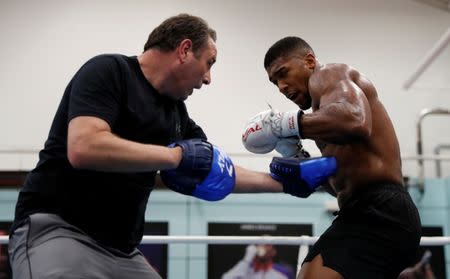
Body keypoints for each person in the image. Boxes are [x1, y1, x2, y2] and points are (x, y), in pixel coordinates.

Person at [8, 15, 338, 279]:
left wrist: (286, 184)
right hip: (59, 233)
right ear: (183, 51)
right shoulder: (110, 72)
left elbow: (216, 169)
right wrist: (175, 156)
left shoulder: (176, 116)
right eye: (208, 63)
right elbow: (84, 146)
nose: (208, 78)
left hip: (122, 251)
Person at [242, 36, 422, 278]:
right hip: (364, 210)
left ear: (309, 61)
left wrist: (284, 124)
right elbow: (338, 187)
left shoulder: (329, 74)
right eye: (275, 82)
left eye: (283, 73)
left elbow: (355, 120)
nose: (282, 87)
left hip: (383, 209)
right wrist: (297, 156)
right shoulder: (323, 121)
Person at [222, 244, 293, 279]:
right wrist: (247, 259)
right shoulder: (245, 271)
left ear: (273, 252)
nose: (262, 247)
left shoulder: (282, 272)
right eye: (260, 244)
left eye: (267, 245)